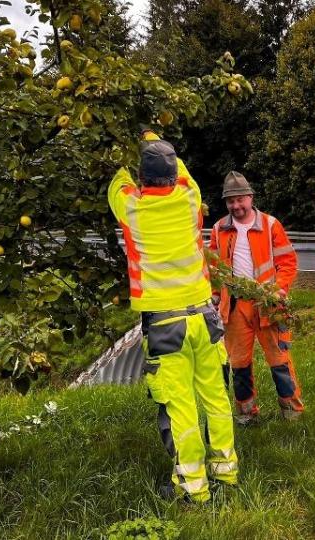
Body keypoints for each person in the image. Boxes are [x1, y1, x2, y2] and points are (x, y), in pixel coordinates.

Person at [107, 131, 237, 503]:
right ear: (173, 173)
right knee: (215, 397)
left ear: (144, 178)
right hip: (205, 316)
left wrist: (122, 151)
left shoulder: (132, 207)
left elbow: (117, 181)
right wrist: (154, 139)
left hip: (165, 323)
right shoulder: (189, 198)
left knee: (180, 405)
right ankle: (226, 473)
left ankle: (193, 487)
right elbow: (185, 173)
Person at [209, 171, 304, 425]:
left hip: (268, 305)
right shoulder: (219, 228)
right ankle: (246, 414)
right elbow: (215, 269)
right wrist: (216, 296)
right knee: (239, 363)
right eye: (231, 201)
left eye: (240, 200)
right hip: (235, 306)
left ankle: (292, 412)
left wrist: (278, 290)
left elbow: (287, 262)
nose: (236, 206)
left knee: (279, 360)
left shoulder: (270, 225)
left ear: (250, 197)